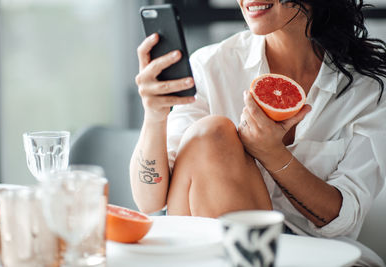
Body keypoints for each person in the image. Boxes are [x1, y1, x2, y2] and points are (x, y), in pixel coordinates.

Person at [130, 0, 386, 265]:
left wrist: (273, 155)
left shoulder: (367, 91)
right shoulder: (211, 66)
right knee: (212, 133)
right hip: (215, 248)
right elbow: (149, 202)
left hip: (314, 254)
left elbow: (342, 220)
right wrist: (154, 115)